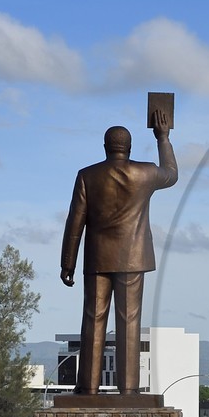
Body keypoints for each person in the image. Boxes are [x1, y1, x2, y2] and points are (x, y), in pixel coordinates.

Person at [60, 121, 177, 394]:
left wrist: (68, 262)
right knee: (129, 320)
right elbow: (172, 174)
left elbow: (74, 222)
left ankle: (88, 388)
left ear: (105, 148)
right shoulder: (144, 173)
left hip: (97, 259)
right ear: (129, 148)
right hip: (133, 258)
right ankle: (128, 390)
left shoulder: (87, 176)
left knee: (93, 318)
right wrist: (163, 138)